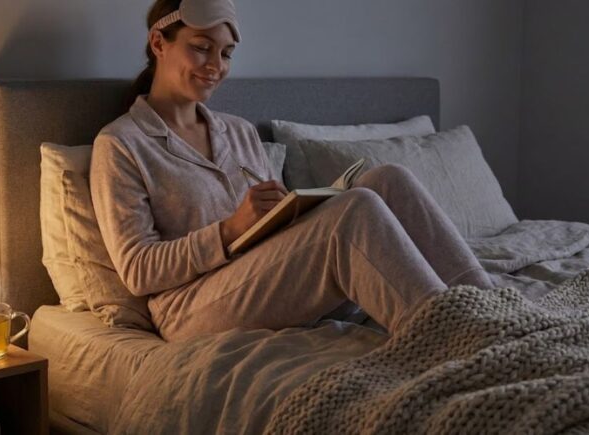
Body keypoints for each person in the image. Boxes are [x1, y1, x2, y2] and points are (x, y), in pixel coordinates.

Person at [90, 0, 494, 342]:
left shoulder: (238, 131)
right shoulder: (122, 144)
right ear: (159, 43)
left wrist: (291, 212)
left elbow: (277, 229)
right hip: (190, 306)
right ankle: (452, 339)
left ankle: (494, 311)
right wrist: (228, 231)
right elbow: (138, 271)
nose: (216, 65)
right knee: (354, 212)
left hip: (264, 273)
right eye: (201, 48)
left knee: (389, 180)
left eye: (226, 54)